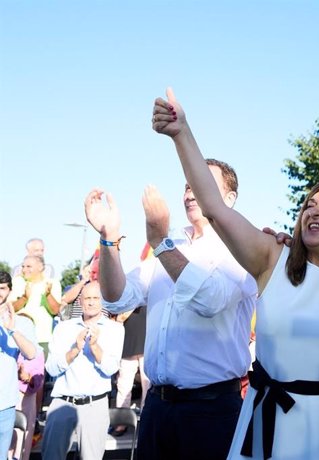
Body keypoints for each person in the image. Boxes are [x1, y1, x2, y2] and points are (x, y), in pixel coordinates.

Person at [153, 87, 319, 459]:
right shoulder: (273, 258)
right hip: (269, 424)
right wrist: (182, 132)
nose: (314, 211)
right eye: (309, 204)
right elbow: (214, 206)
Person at [84, 160, 256, 460]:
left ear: (229, 199)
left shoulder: (240, 245)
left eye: (201, 184)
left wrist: (160, 243)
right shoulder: (171, 242)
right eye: (188, 185)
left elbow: (211, 300)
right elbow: (117, 298)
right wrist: (109, 238)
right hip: (157, 408)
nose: (191, 192)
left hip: (211, 412)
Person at [41, 282, 123, 460]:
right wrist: (74, 351)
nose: (91, 302)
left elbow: (111, 369)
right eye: (87, 298)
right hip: (62, 403)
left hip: (95, 405)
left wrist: (94, 347)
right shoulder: (64, 328)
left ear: (103, 302)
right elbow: (51, 368)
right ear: (80, 302)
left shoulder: (115, 329)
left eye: (96, 298)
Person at [0, 270, 37, 456]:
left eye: (2, 288)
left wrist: (12, 330)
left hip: (5, 404)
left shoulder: (22, 323)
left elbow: (31, 354)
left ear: (9, 291)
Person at [9, 312, 45, 460]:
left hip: (23, 399)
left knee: (19, 447)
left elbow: (37, 382)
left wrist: (25, 377)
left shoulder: (36, 352)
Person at [111, 305, 148, 436]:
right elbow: (117, 318)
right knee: (123, 385)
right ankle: (121, 422)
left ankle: (146, 422)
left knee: (147, 385)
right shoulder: (126, 297)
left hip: (146, 342)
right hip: (127, 342)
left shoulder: (149, 294)